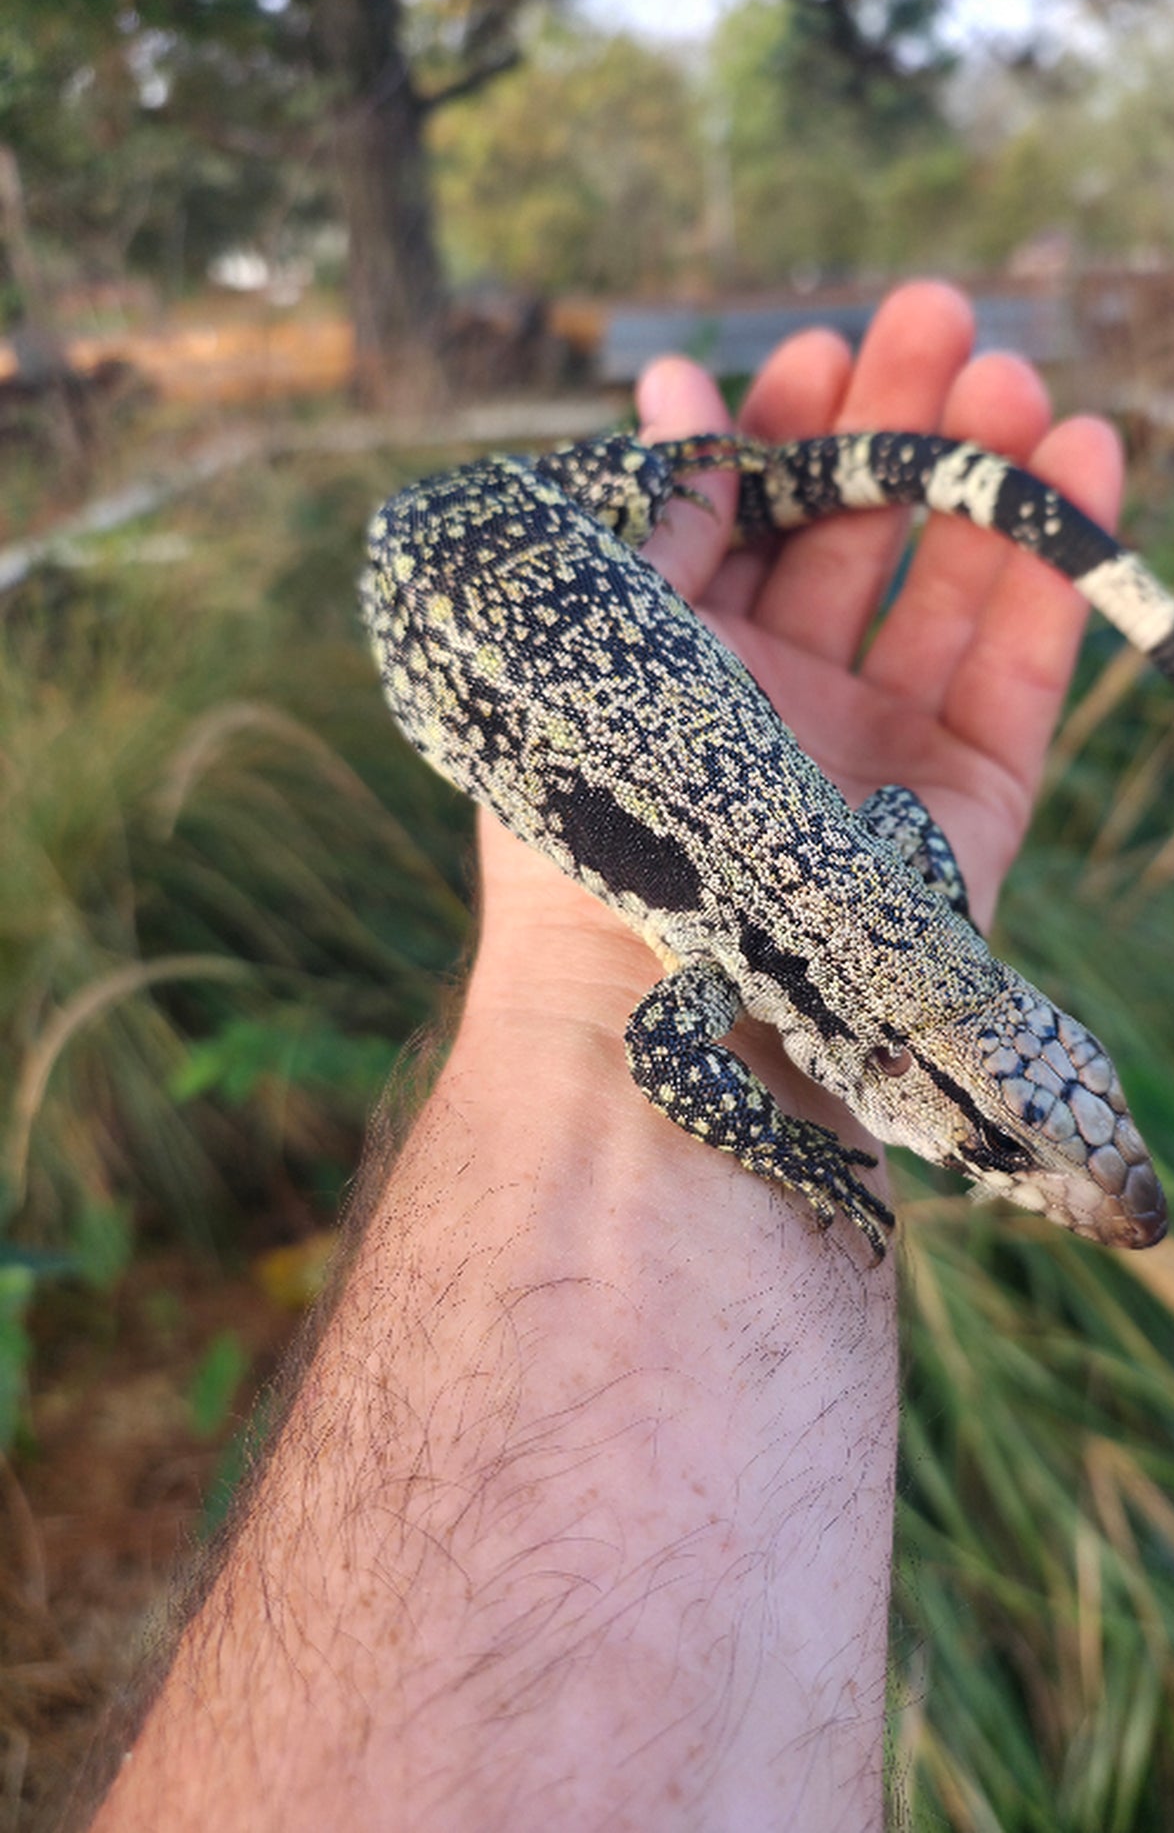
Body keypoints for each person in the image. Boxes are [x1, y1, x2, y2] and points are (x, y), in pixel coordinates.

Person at [87, 281, 1122, 1831]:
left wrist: (918, 983)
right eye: (1004, 1148)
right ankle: (688, 478)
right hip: (449, 555)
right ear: (916, 1093)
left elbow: (873, 853)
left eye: (1029, 1138)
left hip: (545, 570)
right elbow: (660, 1051)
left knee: (776, 478)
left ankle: (750, 484)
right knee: (708, 471)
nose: (1051, 1182)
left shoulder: (831, 909)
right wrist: (795, 1146)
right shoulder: (754, 955)